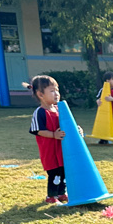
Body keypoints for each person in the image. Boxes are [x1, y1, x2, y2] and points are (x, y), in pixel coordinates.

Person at [27, 75, 68, 204]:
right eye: (52, 91)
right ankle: (51, 196)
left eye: (57, 90)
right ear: (40, 94)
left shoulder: (59, 109)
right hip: (50, 152)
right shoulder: (40, 112)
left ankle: (62, 193)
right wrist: (53, 135)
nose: (56, 94)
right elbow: (37, 130)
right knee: (54, 174)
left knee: (64, 172)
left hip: (62, 150)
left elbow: (68, 124)